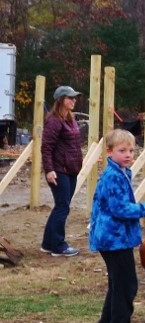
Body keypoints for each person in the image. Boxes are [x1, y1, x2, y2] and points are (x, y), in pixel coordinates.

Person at [89, 129, 145, 323]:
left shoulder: (121, 172)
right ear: (109, 152)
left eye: (131, 150)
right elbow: (119, 209)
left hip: (116, 238)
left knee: (118, 283)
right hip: (113, 239)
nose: (129, 154)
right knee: (127, 284)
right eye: (122, 150)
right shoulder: (113, 176)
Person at [40, 85, 84, 256]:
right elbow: (46, 147)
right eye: (70, 97)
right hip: (59, 170)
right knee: (62, 207)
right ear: (60, 100)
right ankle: (58, 246)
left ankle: (47, 243)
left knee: (61, 206)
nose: (74, 100)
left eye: (74, 97)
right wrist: (49, 170)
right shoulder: (54, 121)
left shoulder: (69, 119)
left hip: (70, 170)